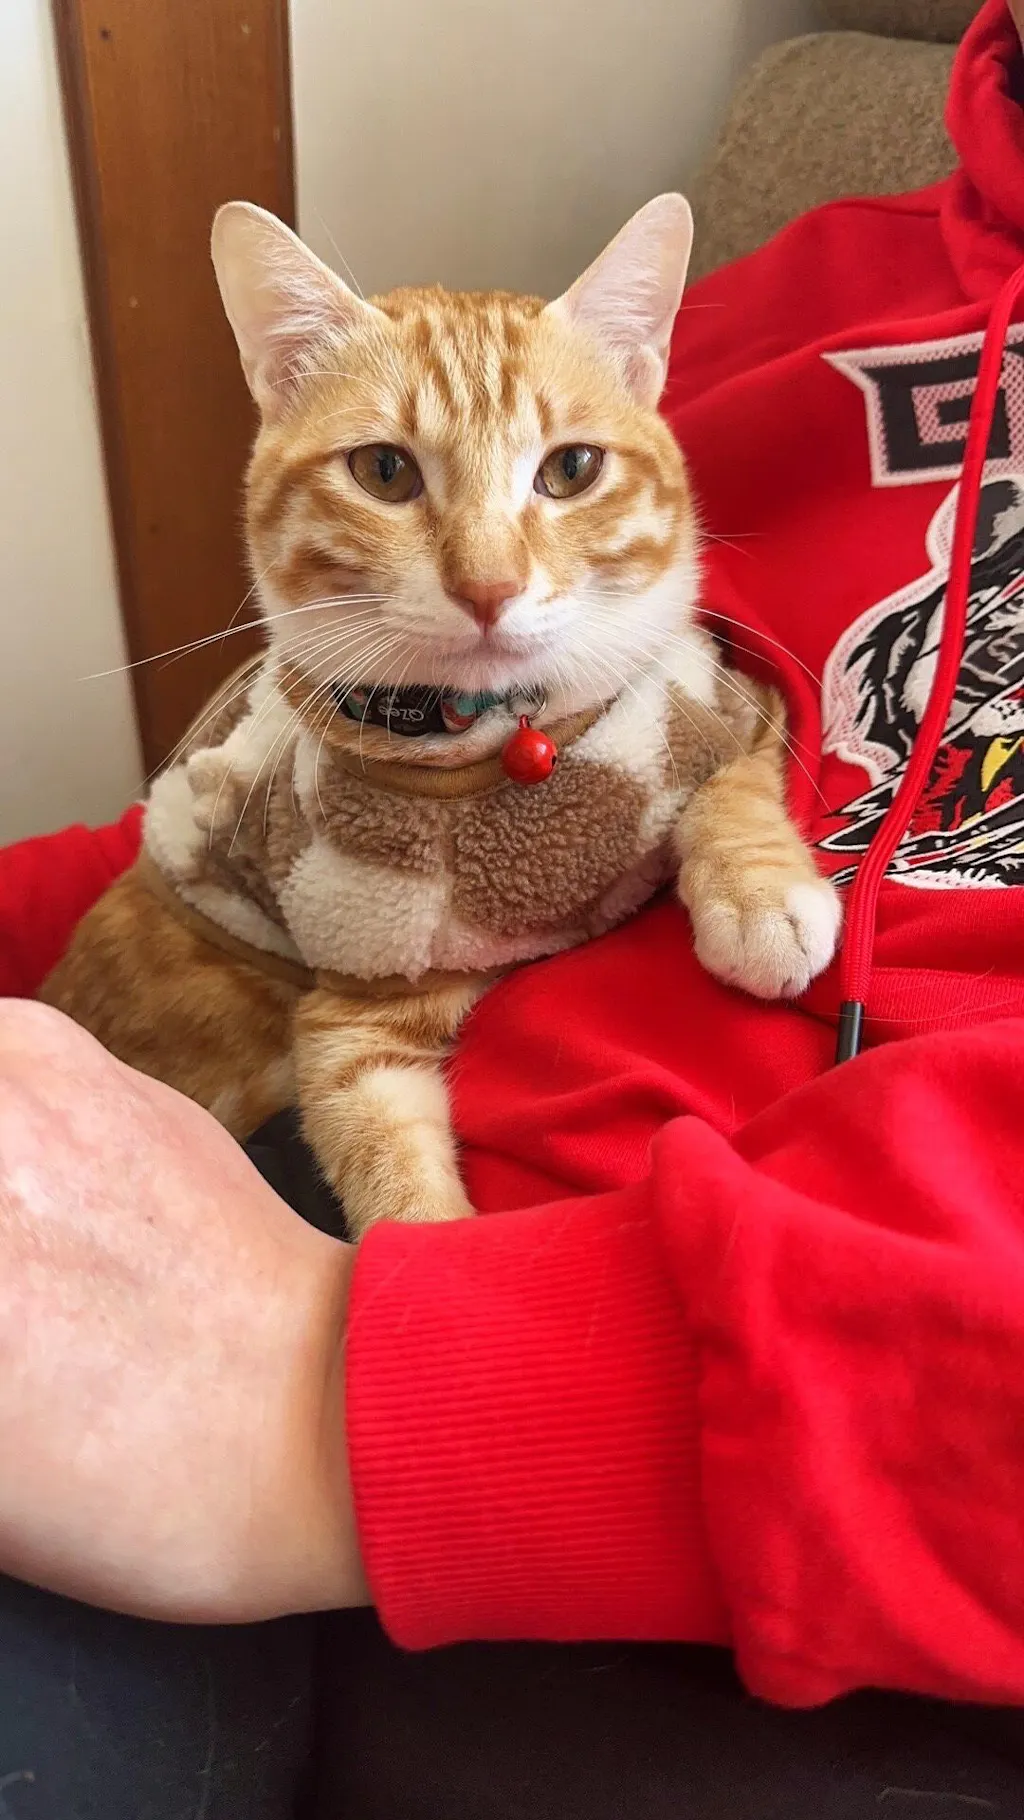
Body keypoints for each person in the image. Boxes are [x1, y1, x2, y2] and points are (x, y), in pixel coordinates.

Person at [4, 0, 1024, 1811]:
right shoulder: (798, 287)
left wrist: (371, 1395)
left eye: (559, 476)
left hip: (738, 1460)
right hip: (277, 1199)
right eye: (399, 476)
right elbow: (249, 834)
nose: (492, 573)